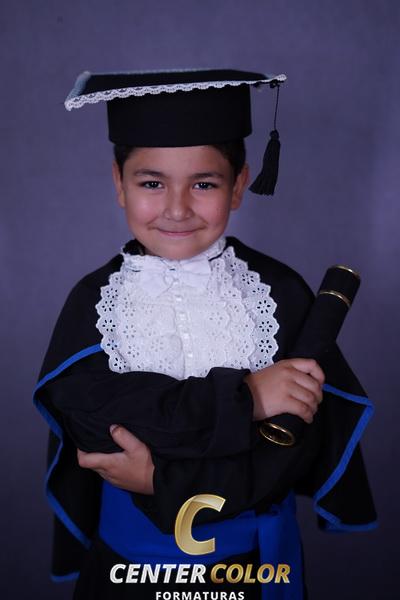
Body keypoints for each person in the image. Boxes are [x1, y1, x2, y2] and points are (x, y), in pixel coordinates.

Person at [34, 69, 377, 600]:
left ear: (238, 186)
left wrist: (161, 478)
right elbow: (98, 425)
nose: (177, 209)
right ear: (119, 183)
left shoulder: (278, 294)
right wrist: (246, 399)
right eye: (151, 183)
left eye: (204, 184)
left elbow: (291, 448)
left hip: (252, 572)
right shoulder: (96, 302)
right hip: (127, 573)